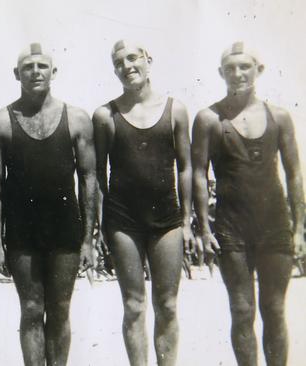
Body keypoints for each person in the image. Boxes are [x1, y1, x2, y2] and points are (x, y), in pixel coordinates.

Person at [192, 42, 304, 366]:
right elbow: (198, 174)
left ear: (259, 70)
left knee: (274, 309)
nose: (237, 73)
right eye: (230, 68)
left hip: (274, 224)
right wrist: (203, 227)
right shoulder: (209, 119)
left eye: (244, 67)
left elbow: (295, 174)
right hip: (231, 226)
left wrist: (299, 229)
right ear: (220, 73)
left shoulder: (279, 117)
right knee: (241, 310)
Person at [0, 43, 97, 366]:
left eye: (42, 66)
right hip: (22, 229)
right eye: (28, 67)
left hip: (65, 226)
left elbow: (89, 180)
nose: (35, 72)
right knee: (32, 309)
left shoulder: (77, 119)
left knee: (60, 309)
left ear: (53, 72)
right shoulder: (0, 123)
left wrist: (88, 239)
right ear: (16, 74)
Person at [92, 40, 193, 366]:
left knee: (167, 304)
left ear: (149, 59)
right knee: (134, 305)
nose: (127, 65)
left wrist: (188, 222)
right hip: (124, 219)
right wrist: (102, 223)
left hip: (167, 216)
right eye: (118, 62)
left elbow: (186, 168)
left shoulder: (175, 110)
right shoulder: (105, 115)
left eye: (133, 57)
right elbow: (97, 176)